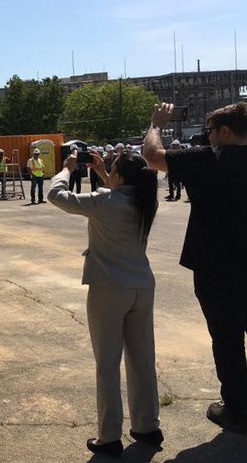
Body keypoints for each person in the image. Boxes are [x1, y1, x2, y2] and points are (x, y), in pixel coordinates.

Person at [48, 150, 162, 457]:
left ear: (120, 176)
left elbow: (56, 195)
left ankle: (109, 436)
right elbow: (119, 191)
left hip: (109, 289)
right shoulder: (146, 200)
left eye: (112, 170)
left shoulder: (102, 201)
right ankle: (147, 425)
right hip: (141, 285)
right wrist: (101, 171)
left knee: (108, 365)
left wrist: (66, 169)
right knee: (142, 360)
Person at [144, 102, 247, 434]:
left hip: (217, 267)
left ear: (225, 131)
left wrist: (156, 122)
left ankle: (238, 410)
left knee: (228, 339)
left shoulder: (208, 159)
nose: (209, 137)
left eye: (211, 132)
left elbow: (152, 155)